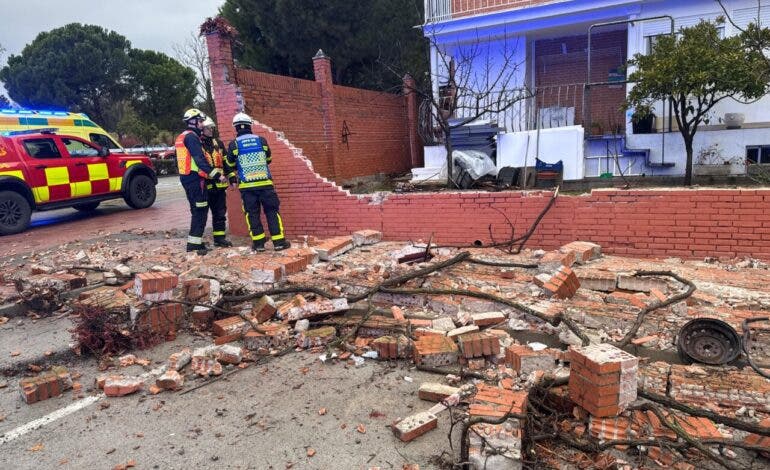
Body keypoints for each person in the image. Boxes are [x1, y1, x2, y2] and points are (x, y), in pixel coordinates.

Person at [226, 112, 290, 252]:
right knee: (272, 212)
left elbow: (229, 164)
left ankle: (259, 244)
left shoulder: (234, 145)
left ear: (236, 128)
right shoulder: (262, 141)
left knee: (252, 214)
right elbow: (268, 159)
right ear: (250, 125)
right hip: (266, 185)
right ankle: (279, 242)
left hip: (247, 187)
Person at [175, 108, 226, 254]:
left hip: (187, 178)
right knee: (200, 210)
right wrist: (217, 175)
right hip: (195, 179)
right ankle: (194, 245)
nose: (202, 124)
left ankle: (195, 242)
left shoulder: (182, 136)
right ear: (194, 121)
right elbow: (199, 160)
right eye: (201, 121)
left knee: (197, 210)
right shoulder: (191, 137)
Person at [200, 117, 234, 247]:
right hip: (205, 185)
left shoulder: (218, 144)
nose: (211, 130)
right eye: (208, 128)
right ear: (202, 130)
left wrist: (232, 177)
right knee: (201, 214)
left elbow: (226, 162)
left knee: (219, 213)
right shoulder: (198, 144)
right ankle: (198, 240)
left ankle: (220, 239)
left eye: (212, 128)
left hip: (219, 186)